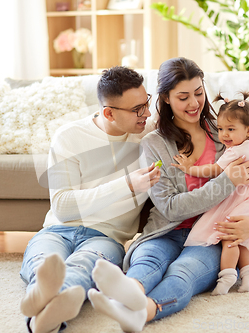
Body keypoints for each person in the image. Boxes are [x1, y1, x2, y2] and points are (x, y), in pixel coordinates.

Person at [87, 57, 249, 332]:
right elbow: (169, 208)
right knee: (149, 261)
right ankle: (126, 296)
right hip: (165, 231)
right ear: (166, 98)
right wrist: (226, 181)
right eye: (183, 97)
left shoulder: (227, 133)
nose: (194, 103)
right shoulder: (153, 144)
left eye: (199, 93)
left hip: (212, 236)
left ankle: (145, 311)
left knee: (184, 274)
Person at [18, 66, 162, 333]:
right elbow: (62, 206)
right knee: (45, 261)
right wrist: (127, 185)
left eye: (147, 103)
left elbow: (209, 128)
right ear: (108, 112)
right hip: (58, 230)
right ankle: (50, 300)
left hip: (105, 237)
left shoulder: (152, 135)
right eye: (137, 109)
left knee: (84, 266)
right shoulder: (70, 137)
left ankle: (38, 318)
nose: (148, 114)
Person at [172, 92, 249, 296]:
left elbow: (212, 170)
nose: (224, 135)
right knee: (239, 235)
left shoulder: (234, 152)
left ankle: (228, 275)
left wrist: (189, 168)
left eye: (231, 129)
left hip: (244, 196)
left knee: (228, 233)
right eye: (221, 129)